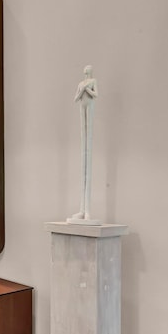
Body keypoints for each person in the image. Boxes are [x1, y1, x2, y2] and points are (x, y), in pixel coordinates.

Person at [69, 65, 100, 224]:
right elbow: (75, 98)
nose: (86, 73)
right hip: (82, 105)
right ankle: (82, 209)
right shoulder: (81, 83)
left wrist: (87, 90)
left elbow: (96, 94)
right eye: (85, 71)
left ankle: (87, 210)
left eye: (88, 71)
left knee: (88, 145)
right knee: (83, 146)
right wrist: (82, 90)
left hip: (90, 105)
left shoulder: (93, 81)